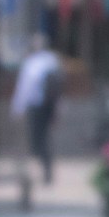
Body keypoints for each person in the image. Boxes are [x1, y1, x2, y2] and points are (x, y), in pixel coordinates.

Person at [12, 34, 63, 185]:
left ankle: (41, 171)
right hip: (49, 106)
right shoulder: (52, 60)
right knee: (44, 139)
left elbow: (25, 88)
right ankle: (46, 170)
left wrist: (17, 108)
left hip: (37, 106)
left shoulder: (32, 63)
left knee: (38, 140)